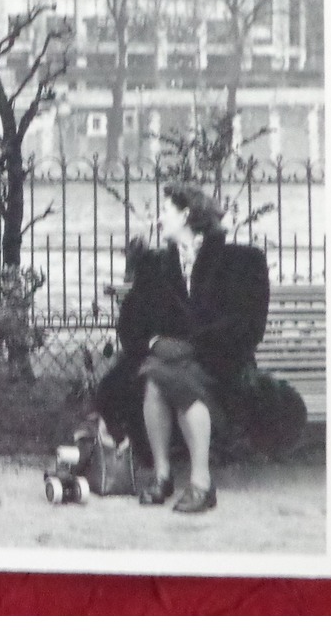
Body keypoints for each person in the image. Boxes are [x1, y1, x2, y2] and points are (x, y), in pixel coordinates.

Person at [95, 182, 269, 514]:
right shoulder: (154, 266)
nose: (159, 219)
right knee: (159, 376)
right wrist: (155, 343)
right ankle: (168, 478)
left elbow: (247, 326)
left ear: (186, 215)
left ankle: (196, 481)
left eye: (165, 212)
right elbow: (130, 324)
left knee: (164, 377)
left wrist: (191, 348)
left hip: (221, 364)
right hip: (166, 362)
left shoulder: (242, 262)